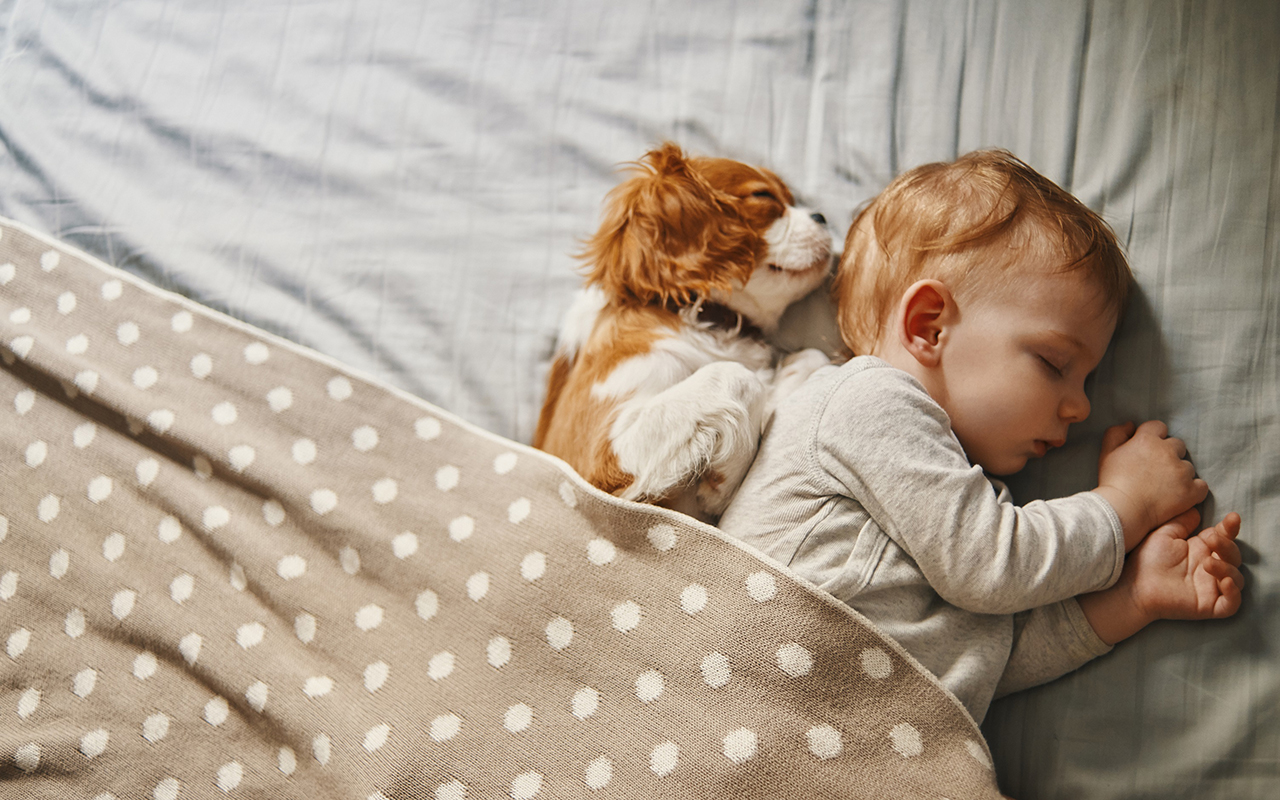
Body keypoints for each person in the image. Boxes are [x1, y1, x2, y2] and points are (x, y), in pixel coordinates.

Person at [717, 150, 1244, 723]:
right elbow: (991, 567)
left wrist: (1133, 596)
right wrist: (1127, 504)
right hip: (745, 712)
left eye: (1087, 381)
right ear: (929, 327)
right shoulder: (865, 399)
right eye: (1053, 363)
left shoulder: (955, 493)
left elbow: (975, 663)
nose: (1081, 407)